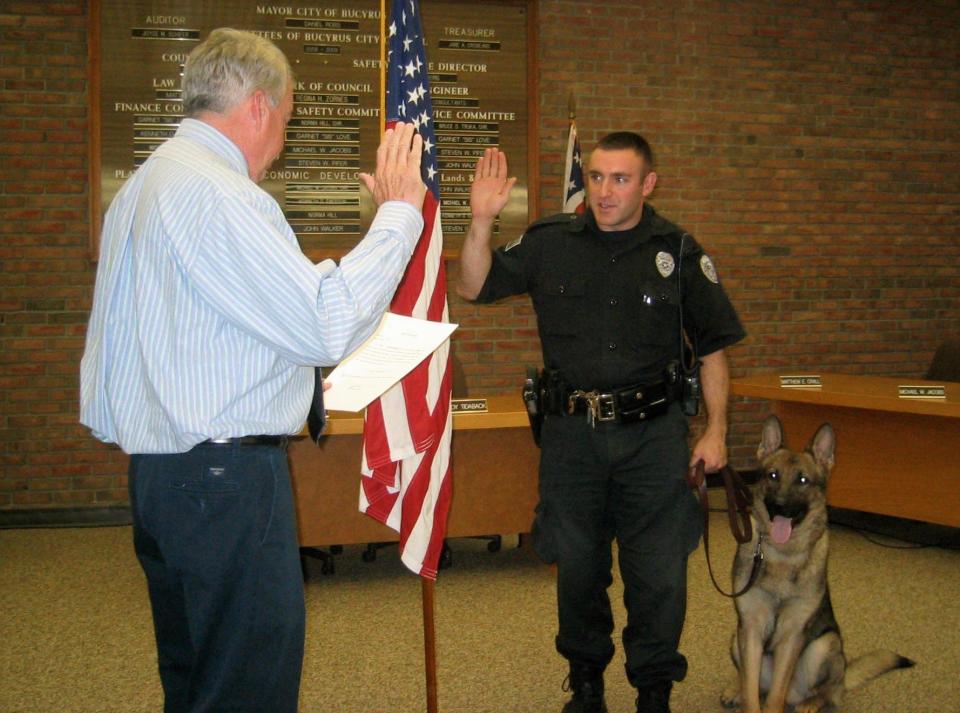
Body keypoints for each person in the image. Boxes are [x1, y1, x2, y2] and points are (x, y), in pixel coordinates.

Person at [80, 28, 426, 713]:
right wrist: (398, 217)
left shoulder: (146, 185)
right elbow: (325, 320)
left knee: (197, 680)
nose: (282, 142)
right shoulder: (218, 195)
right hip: (224, 482)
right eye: (288, 120)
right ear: (261, 107)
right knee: (245, 688)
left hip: (164, 478)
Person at [458, 133, 746, 713]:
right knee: (578, 566)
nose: (605, 190)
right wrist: (481, 222)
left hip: (654, 437)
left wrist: (716, 430)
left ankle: (654, 689)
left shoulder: (679, 252)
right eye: (595, 177)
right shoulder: (550, 242)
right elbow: (473, 286)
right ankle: (586, 683)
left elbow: (714, 346)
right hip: (573, 437)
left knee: (659, 571)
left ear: (647, 184)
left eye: (620, 179)